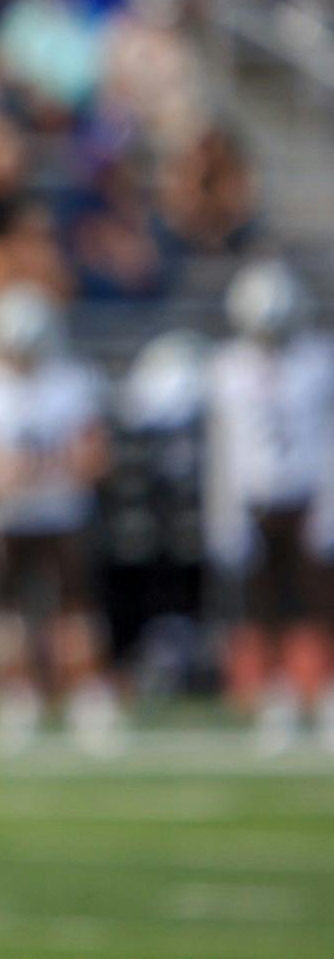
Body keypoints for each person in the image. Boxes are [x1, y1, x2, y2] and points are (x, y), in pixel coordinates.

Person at [0, 282, 119, 754]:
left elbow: (95, 455)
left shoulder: (72, 380)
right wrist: (6, 474)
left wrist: (38, 471)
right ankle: (15, 696)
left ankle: (84, 693)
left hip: (60, 513)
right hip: (1, 516)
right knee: (4, 616)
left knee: (74, 611)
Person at [206, 260, 334, 753]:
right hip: (255, 498)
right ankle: (277, 694)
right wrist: (225, 511)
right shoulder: (227, 367)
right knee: (265, 602)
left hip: (306, 494)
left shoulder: (318, 361)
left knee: (321, 599)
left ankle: (322, 691)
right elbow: (223, 449)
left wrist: (328, 503)